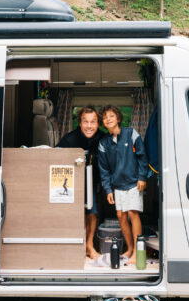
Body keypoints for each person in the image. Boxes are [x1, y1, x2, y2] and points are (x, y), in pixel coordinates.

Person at [97, 105, 147, 263]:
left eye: (111, 116)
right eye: (105, 118)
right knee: (121, 216)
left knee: (133, 213)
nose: (108, 119)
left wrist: (142, 177)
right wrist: (107, 189)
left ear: (118, 118)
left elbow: (142, 157)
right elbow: (103, 169)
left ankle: (138, 254)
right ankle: (130, 249)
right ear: (103, 123)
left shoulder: (131, 133)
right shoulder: (103, 143)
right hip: (117, 185)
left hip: (134, 183)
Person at [56, 105, 104, 260]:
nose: (89, 126)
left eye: (93, 122)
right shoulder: (69, 139)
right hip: (71, 184)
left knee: (92, 212)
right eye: (86, 122)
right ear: (80, 123)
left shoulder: (103, 138)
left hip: (93, 182)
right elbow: (54, 157)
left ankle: (89, 246)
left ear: (98, 123)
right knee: (77, 214)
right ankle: (80, 246)